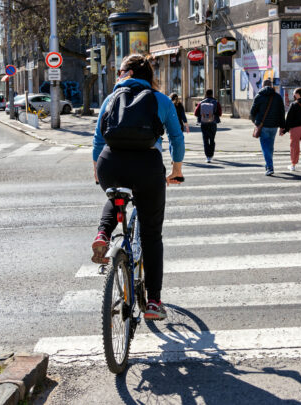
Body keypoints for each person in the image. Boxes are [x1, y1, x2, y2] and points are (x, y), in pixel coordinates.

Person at [91, 54, 185, 321]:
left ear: (127, 73)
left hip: (111, 164)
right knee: (152, 236)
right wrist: (177, 169)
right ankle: (153, 302)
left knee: (115, 195)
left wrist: (97, 169)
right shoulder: (161, 100)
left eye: (119, 70)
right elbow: (176, 138)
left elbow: (98, 140)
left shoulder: (111, 99)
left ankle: (103, 233)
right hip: (147, 167)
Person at [249, 79, 285, 176]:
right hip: (274, 126)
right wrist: (282, 126)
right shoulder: (277, 97)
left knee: (265, 147)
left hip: (263, 125)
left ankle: (269, 167)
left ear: (263, 86)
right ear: (271, 85)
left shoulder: (259, 96)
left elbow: (252, 112)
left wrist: (256, 122)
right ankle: (268, 164)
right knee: (270, 146)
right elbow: (282, 112)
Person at [194, 89, 222, 163]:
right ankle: (211, 154)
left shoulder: (201, 102)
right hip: (213, 123)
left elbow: (196, 113)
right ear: (212, 94)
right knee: (212, 139)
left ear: (205, 94)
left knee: (205, 140)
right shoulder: (216, 102)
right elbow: (219, 113)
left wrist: (203, 115)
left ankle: (208, 156)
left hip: (204, 123)